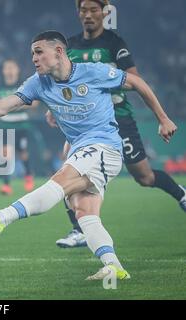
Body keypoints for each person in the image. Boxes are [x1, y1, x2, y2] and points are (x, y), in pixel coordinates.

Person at [0, 30, 177, 280]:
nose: (34, 59)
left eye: (39, 52)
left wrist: (163, 118)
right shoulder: (38, 83)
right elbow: (1, 106)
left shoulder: (93, 72)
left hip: (105, 147)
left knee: (60, 181)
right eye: (32, 54)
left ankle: (0, 218)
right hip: (83, 150)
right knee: (84, 212)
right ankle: (113, 266)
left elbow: (136, 83)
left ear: (59, 51)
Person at [48, 0, 186, 248]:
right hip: (84, 123)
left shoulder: (114, 44)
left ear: (104, 13)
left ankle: (182, 194)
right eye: (83, 10)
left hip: (118, 118)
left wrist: (162, 118)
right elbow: (60, 81)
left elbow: (136, 81)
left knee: (144, 177)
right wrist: (54, 107)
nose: (88, 14)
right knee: (67, 168)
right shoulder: (70, 46)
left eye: (93, 10)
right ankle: (78, 229)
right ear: (78, 13)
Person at [0, 59, 36, 195]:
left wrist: (11, 106)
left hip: (21, 125)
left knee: (23, 154)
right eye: (7, 68)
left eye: (12, 67)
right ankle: (6, 185)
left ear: (17, 70)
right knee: (6, 155)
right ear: (3, 71)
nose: (9, 70)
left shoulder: (23, 85)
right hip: (5, 124)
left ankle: (29, 177)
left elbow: (34, 103)